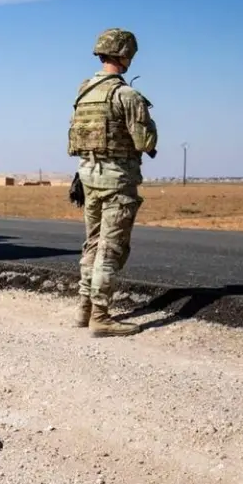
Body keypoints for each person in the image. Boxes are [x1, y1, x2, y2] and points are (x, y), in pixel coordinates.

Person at [67, 28, 158, 337]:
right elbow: (145, 141)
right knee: (110, 249)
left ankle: (83, 310)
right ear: (125, 54)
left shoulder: (84, 91)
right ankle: (101, 317)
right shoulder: (126, 95)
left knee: (92, 244)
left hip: (87, 177)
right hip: (117, 182)